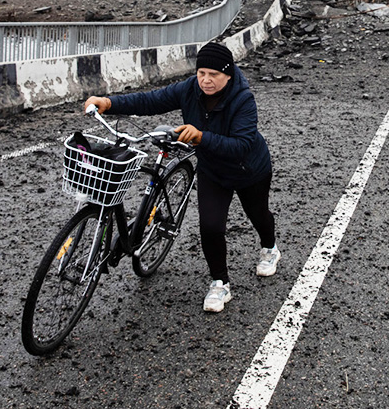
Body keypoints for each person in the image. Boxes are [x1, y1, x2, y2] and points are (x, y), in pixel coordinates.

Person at [84, 41, 279, 313]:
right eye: (202, 73)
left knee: (258, 215)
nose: (206, 80)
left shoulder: (242, 99)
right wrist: (109, 102)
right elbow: (151, 100)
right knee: (211, 227)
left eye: (214, 75)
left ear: (229, 75)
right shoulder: (189, 88)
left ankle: (269, 248)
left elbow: (242, 145)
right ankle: (220, 283)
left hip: (249, 170)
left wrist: (201, 137)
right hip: (212, 170)